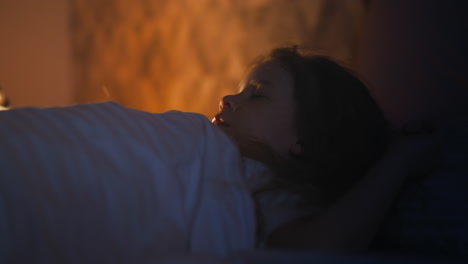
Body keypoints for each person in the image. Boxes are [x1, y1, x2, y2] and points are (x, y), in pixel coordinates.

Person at [211, 46, 440, 250]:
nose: (226, 98)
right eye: (239, 90)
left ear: (304, 139)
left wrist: (398, 162)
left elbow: (318, 246)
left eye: (257, 95)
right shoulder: (216, 154)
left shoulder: (262, 182)